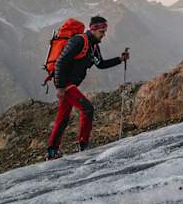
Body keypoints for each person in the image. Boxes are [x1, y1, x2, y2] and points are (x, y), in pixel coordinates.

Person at [46, 16, 129, 160]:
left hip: (70, 84)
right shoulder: (78, 41)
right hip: (66, 84)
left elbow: (101, 64)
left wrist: (120, 59)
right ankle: (83, 145)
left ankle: (52, 152)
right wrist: (60, 86)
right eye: (102, 31)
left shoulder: (94, 46)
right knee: (87, 108)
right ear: (93, 29)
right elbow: (60, 62)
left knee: (63, 117)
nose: (104, 34)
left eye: (105, 31)